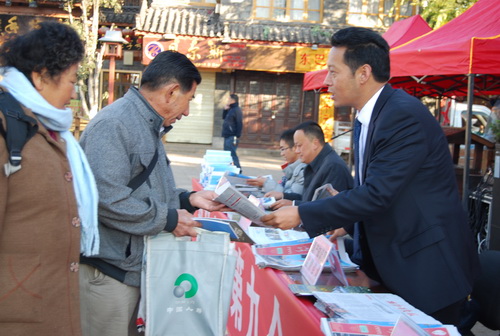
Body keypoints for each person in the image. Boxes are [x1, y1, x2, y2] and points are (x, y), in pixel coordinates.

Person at [261, 27, 479, 326]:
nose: (327, 81)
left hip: (426, 269)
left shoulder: (401, 115)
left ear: (363, 73)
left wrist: (302, 212)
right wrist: (345, 218)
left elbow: (378, 194)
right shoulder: (368, 117)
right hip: (393, 264)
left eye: (333, 72)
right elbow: (382, 191)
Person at [78, 50, 226, 336]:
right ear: (172, 92)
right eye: (189, 100)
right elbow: (105, 198)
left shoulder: (147, 123)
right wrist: (170, 220)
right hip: (108, 271)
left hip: (129, 266)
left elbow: (143, 186)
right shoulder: (115, 124)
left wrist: (187, 200)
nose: (187, 112)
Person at [0, 22, 98, 335]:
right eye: (71, 81)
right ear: (42, 77)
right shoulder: (7, 127)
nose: (73, 91)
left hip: (53, 305)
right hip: (17, 312)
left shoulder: (51, 129)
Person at [270, 121, 353, 209]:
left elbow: (327, 208)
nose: (297, 151)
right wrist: (286, 197)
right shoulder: (315, 163)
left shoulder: (333, 166)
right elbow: (309, 200)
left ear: (315, 143)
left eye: (299, 145)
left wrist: (294, 205)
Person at [246, 128, 306, 200]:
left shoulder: (302, 170)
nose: (282, 154)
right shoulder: (291, 168)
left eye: (283, 149)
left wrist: (266, 183)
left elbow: (289, 197)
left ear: (294, 148)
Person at [222, 93, 243, 170]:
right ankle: (229, 169)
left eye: (229, 99)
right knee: (226, 154)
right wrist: (225, 110)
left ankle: (238, 169)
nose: (227, 100)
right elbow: (224, 117)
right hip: (227, 135)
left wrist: (237, 135)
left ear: (233, 100)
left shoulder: (236, 110)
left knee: (232, 154)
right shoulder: (230, 109)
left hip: (232, 136)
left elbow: (239, 123)